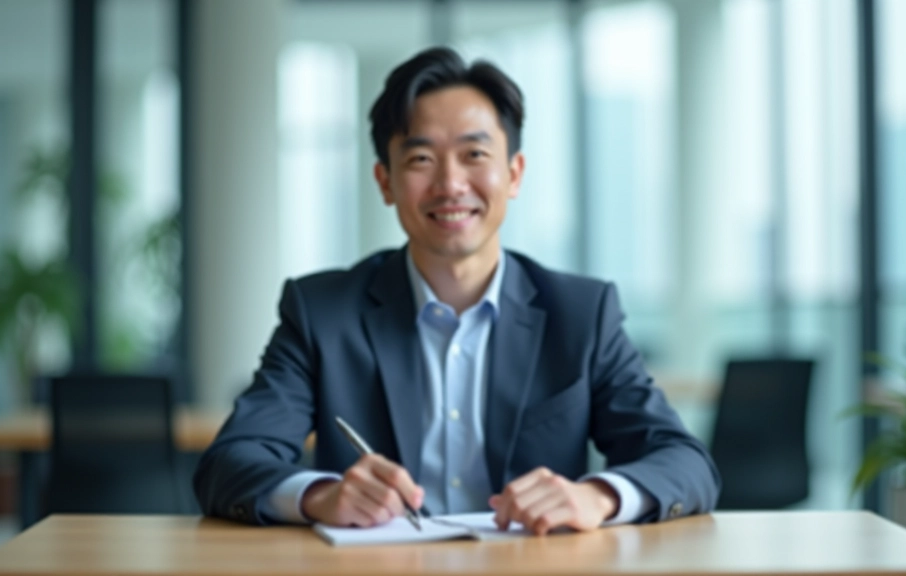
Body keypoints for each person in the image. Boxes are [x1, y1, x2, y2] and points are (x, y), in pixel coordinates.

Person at [194, 47, 720, 535]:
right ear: (385, 181)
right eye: (421, 159)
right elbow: (229, 463)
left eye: (474, 154)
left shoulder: (581, 314)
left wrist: (597, 497)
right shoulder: (323, 313)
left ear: (514, 174)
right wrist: (320, 495)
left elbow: (685, 461)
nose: (450, 184)